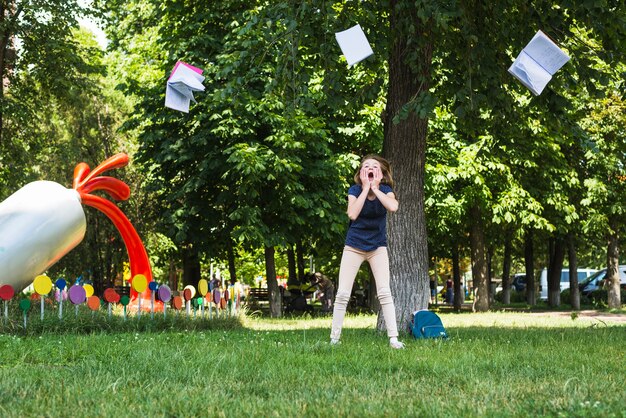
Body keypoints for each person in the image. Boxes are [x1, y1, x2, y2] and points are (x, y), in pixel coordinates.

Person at [330, 155, 404, 349]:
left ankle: (394, 339)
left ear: (381, 173)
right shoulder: (354, 190)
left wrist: (375, 188)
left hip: (377, 247)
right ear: (361, 172)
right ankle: (334, 339)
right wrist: (365, 189)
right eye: (366, 166)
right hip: (354, 246)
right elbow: (352, 213)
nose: (370, 168)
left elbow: (393, 207)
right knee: (342, 294)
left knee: (384, 292)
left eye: (374, 166)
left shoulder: (386, 191)